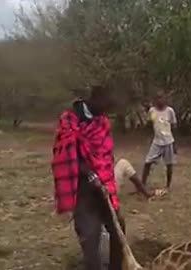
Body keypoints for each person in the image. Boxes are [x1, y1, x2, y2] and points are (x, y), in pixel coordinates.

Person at [51, 85, 124, 270]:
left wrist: (105, 180)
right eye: (106, 106)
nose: (107, 112)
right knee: (90, 237)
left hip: (104, 185)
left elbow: (105, 156)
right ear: (96, 99)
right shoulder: (69, 119)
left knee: (118, 227)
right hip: (82, 187)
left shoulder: (102, 121)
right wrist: (91, 176)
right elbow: (68, 155)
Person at [141, 92, 177, 190]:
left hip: (168, 141)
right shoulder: (152, 111)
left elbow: (174, 127)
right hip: (157, 142)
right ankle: (142, 184)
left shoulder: (170, 111)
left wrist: (174, 144)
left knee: (169, 164)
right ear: (155, 100)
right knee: (147, 162)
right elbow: (150, 123)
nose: (160, 100)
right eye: (158, 98)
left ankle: (168, 185)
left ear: (165, 99)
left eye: (162, 98)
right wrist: (149, 137)